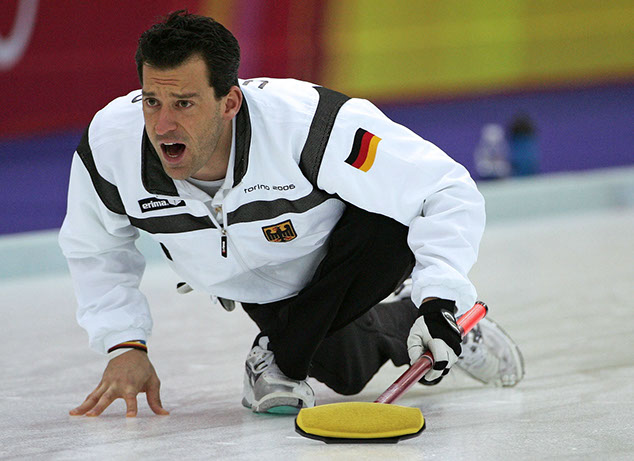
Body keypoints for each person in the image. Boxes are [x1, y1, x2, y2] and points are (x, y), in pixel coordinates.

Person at [59, 10, 524, 417]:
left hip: (344, 253)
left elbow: (442, 188)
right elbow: (94, 246)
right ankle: (424, 324)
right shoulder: (111, 149)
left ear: (230, 103)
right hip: (252, 285)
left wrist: (439, 297)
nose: (162, 125)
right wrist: (124, 344)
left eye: (184, 104)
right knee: (346, 371)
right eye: (152, 101)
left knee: (390, 226)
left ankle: (285, 352)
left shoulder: (310, 126)